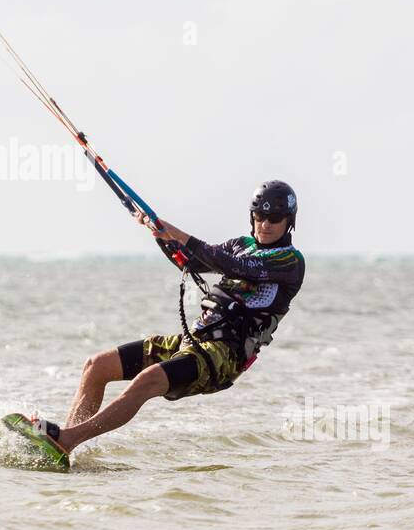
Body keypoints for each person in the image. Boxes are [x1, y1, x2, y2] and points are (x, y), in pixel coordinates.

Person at [20, 180, 306, 458]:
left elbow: (233, 265)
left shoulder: (289, 261)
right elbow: (193, 261)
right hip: (194, 339)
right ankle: (62, 446)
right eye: (260, 215)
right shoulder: (241, 244)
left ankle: (67, 440)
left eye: (275, 217)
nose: (265, 224)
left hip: (223, 357)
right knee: (96, 366)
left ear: (288, 220)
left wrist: (179, 234)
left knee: (149, 380)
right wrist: (160, 235)